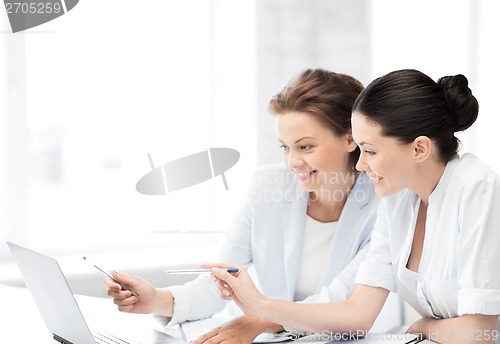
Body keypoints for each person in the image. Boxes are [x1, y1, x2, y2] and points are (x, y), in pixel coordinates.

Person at [208, 69, 500, 344]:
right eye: (361, 149)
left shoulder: (476, 188)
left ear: (419, 149)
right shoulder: (397, 198)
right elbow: (357, 314)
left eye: (370, 151)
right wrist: (261, 308)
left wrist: (425, 328)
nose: (361, 164)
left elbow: (481, 331)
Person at [105, 69, 384, 343]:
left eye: (306, 147)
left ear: (350, 138)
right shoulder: (267, 186)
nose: (292, 162)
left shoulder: (383, 205)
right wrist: (158, 299)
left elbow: (341, 302)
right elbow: (220, 283)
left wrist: (260, 320)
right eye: (285, 147)